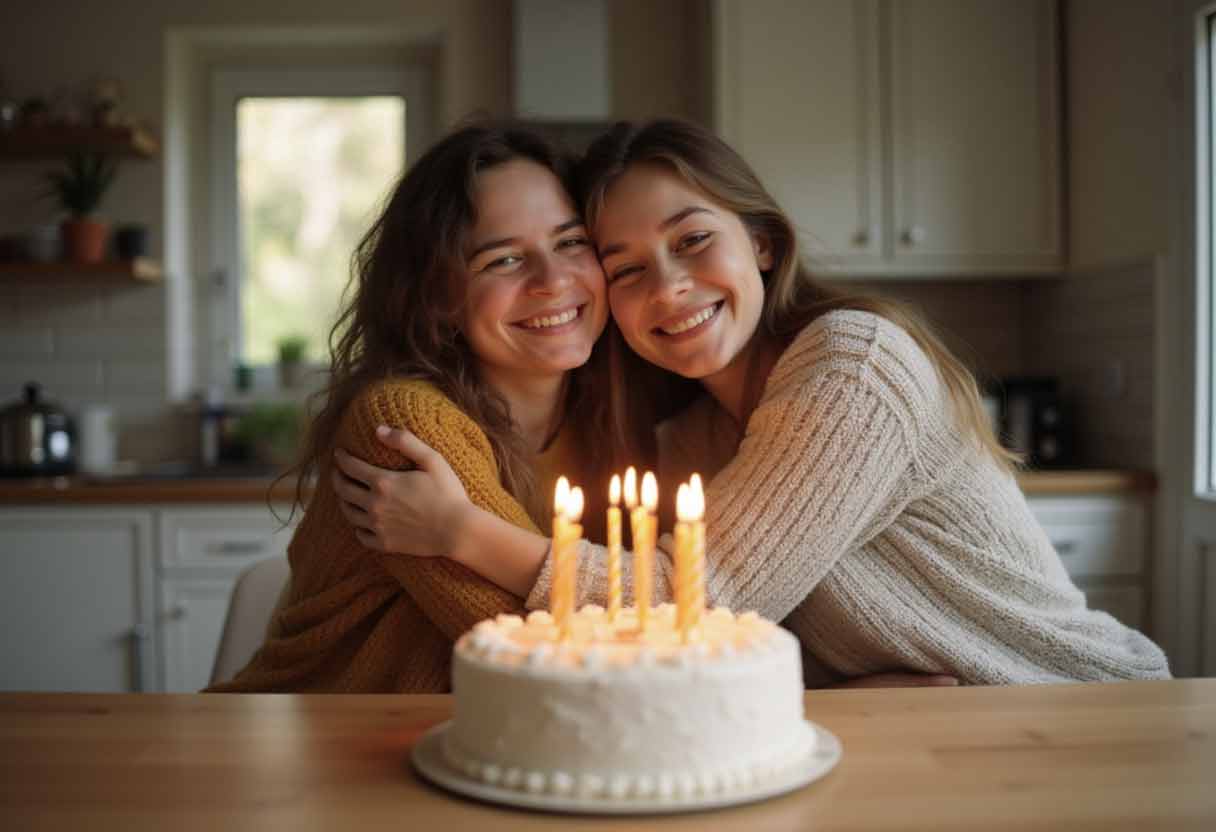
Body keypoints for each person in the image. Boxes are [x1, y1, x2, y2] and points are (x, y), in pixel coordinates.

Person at [340, 119, 1170, 685]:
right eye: (625, 267)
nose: (668, 289)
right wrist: (841, 686)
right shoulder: (691, 438)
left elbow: (691, 604)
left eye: (693, 240)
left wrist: (462, 531)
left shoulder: (853, 367)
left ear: (763, 243)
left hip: (1081, 705)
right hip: (943, 723)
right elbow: (743, 635)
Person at [207, 122, 611, 693]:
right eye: (503, 260)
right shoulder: (403, 424)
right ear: (439, 294)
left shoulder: (607, 414)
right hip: (306, 749)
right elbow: (534, 649)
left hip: (481, 753)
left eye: (570, 242)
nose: (553, 280)